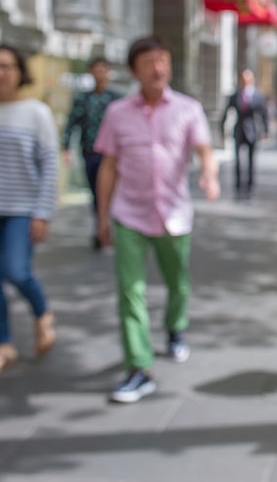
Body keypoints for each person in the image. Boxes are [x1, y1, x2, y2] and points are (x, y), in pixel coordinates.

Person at [95, 36, 220, 403]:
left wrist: (209, 175)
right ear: (135, 70)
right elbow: (108, 166)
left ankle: (175, 327)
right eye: (150, 61)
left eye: (163, 59)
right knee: (130, 291)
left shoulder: (188, 109)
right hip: (128, 213)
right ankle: (139, 367)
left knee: (177, 282)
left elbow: (204, 150)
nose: (158, 67)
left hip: (174, 215)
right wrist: (102, 217)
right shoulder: (117, 112)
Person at [0, 43, 58, 372]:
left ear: (20, 72)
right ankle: (4, 343)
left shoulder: (36, 113)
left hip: (21, 208)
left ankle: (42, 312)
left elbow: (49, 164)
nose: (2, 73)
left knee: (16, 270)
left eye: (8, 66)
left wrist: (42, 212)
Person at [61, 57, 121, 249]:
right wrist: (66, 147)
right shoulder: (83, 98)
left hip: (112, 155)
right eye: (96, 70)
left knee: (112, 191)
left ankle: (111, 226)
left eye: (103, 69)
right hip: (90, 152)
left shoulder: (116, 99)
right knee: (96, 192)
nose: (100, 74)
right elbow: (72, 122)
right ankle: (100, 226)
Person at [220, 69, 268, 198]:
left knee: (251, 160)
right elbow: (226, 112)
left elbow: (264, 114)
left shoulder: (258, 96)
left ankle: (250, 185)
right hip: (239, 130)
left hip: (252, 130)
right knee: (238, 161)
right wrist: (222, 129)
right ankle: (238, 185)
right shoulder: (235, 95)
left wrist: (265, 130)